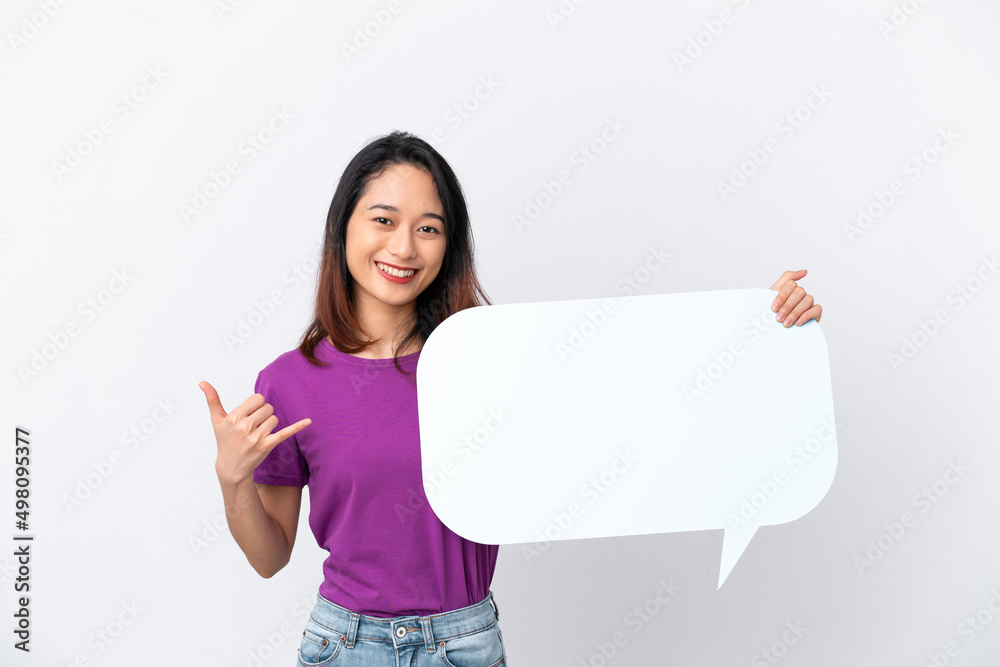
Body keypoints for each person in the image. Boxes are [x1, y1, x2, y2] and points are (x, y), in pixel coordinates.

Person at [199, 130, 823, 666]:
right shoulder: (290, 380)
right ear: (344, 227)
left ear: (450, 247)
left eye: (429, 228)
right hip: (345, 644)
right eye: (383, 220)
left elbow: (634, 399)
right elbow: (269, 557)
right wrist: (233, 480)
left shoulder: (488, 358)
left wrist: (758, 329)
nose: (403, 247)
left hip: (464, 642)